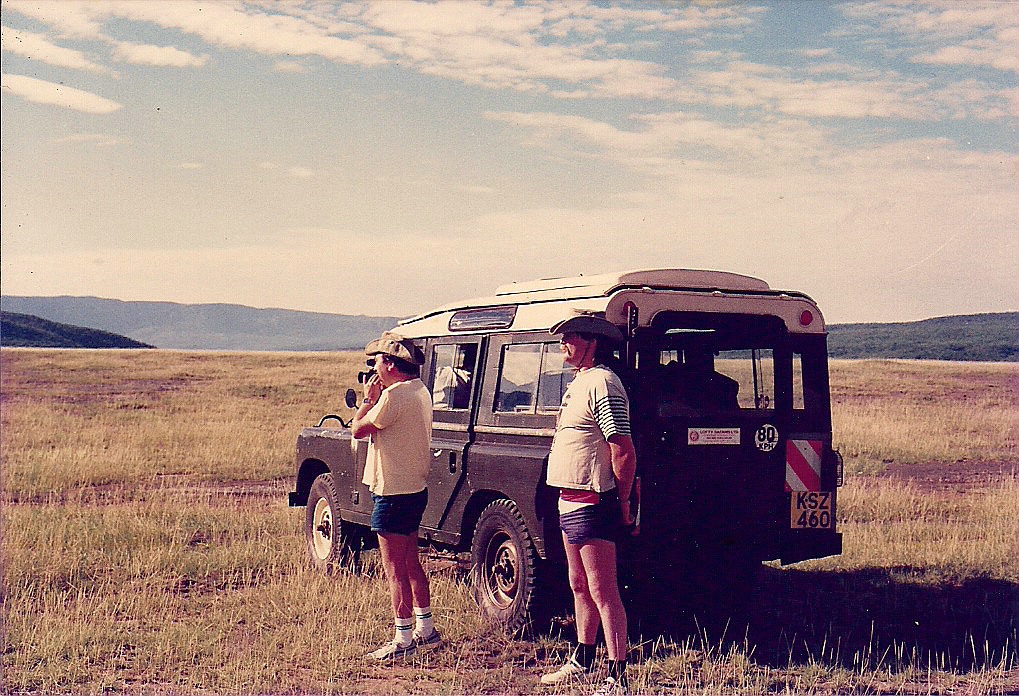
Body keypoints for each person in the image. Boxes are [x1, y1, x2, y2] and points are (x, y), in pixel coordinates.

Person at [540, 311, 637, 695]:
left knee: (602, 589)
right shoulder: (581, 381)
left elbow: (622, 450)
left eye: (571, 337)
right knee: (578, 583)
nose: (564, 344)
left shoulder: (604, 383)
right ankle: (583, 657)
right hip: (569, 498)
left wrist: (623, 501)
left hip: (594, 500)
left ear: (592, 343)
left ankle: (618, 675)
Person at [350, 331, 442, 661]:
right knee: (410, 562)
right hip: (413, 489)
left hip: (391, 493)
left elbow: (358, 430)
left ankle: (403, 639)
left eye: (376, 364)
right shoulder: (419, 391)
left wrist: (367, 399)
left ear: (390, 364)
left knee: (394, 570)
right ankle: (426, 630)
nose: (374, 371)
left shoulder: (394, 397)